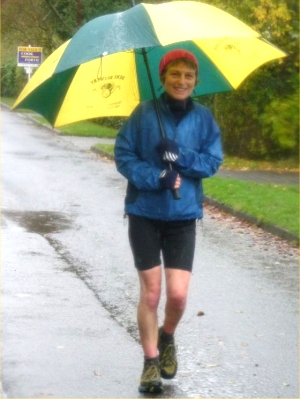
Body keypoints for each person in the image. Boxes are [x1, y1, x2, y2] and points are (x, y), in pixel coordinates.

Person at [114, 49, 223, 393]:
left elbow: (212, 161)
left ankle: (167, 337)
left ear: (196, 81)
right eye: (174, 74)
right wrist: (157, 175)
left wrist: (181, 156)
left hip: (183, 215)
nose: (182, 81)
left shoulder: (204, 118)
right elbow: (123, 155)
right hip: (144, 212)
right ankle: (149, 363)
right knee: (151, 293)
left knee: (176, 296)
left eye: (188, 76)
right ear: (162, 78)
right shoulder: (143, 114)